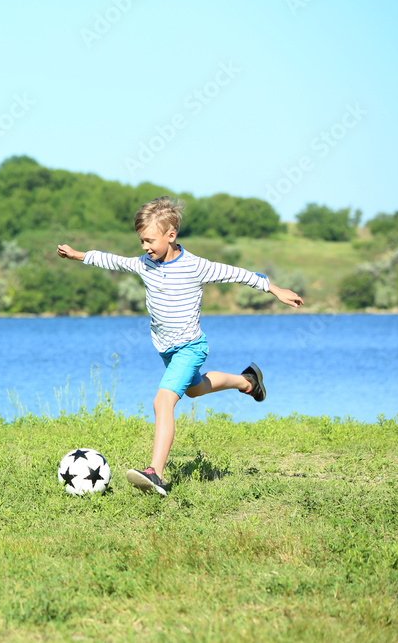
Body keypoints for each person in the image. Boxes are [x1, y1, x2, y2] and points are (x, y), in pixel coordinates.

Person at [56, 196, 304, 496]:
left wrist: (276, 290)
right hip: (166, 348)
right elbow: (112, 260)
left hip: (190, 347)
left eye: (150, 240)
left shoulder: (195, 267)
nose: (145, 247)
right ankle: (247, 381)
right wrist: (77, 255)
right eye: (141, 241)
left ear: (170, 235)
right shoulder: (144, 264)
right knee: (195, 389)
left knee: (162, 402)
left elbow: (240, 274)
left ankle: (155, 473)